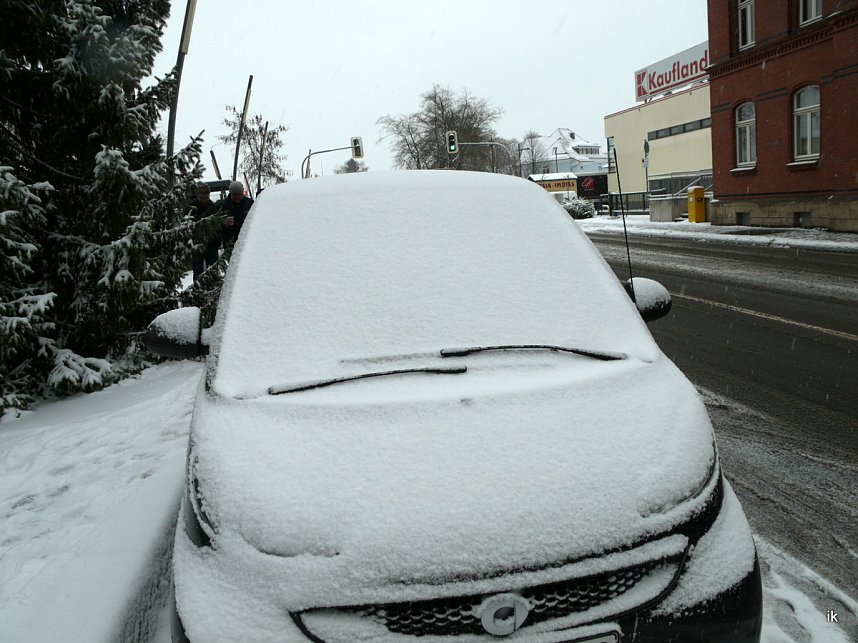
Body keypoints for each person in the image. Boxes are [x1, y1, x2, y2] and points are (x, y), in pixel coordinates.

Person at [188, 182, 221, 282]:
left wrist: (217, 241)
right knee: (197, 271)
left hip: (211, 243)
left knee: (213, 270)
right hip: (196, 243)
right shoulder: (191, 207)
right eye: (202, 193)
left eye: (206, 193)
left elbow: (218, 225)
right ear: (198, 193)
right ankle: (197, 289)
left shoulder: (214, 207)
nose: (204, 195)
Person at [218, 181, 253, 246]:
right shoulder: (222, 205)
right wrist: (222, 223)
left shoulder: (250, 203)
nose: (237, 197)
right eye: (234, 195)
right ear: (230, 193)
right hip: (230, 241)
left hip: (247, 239)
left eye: (239, 195)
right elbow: (213, 223)